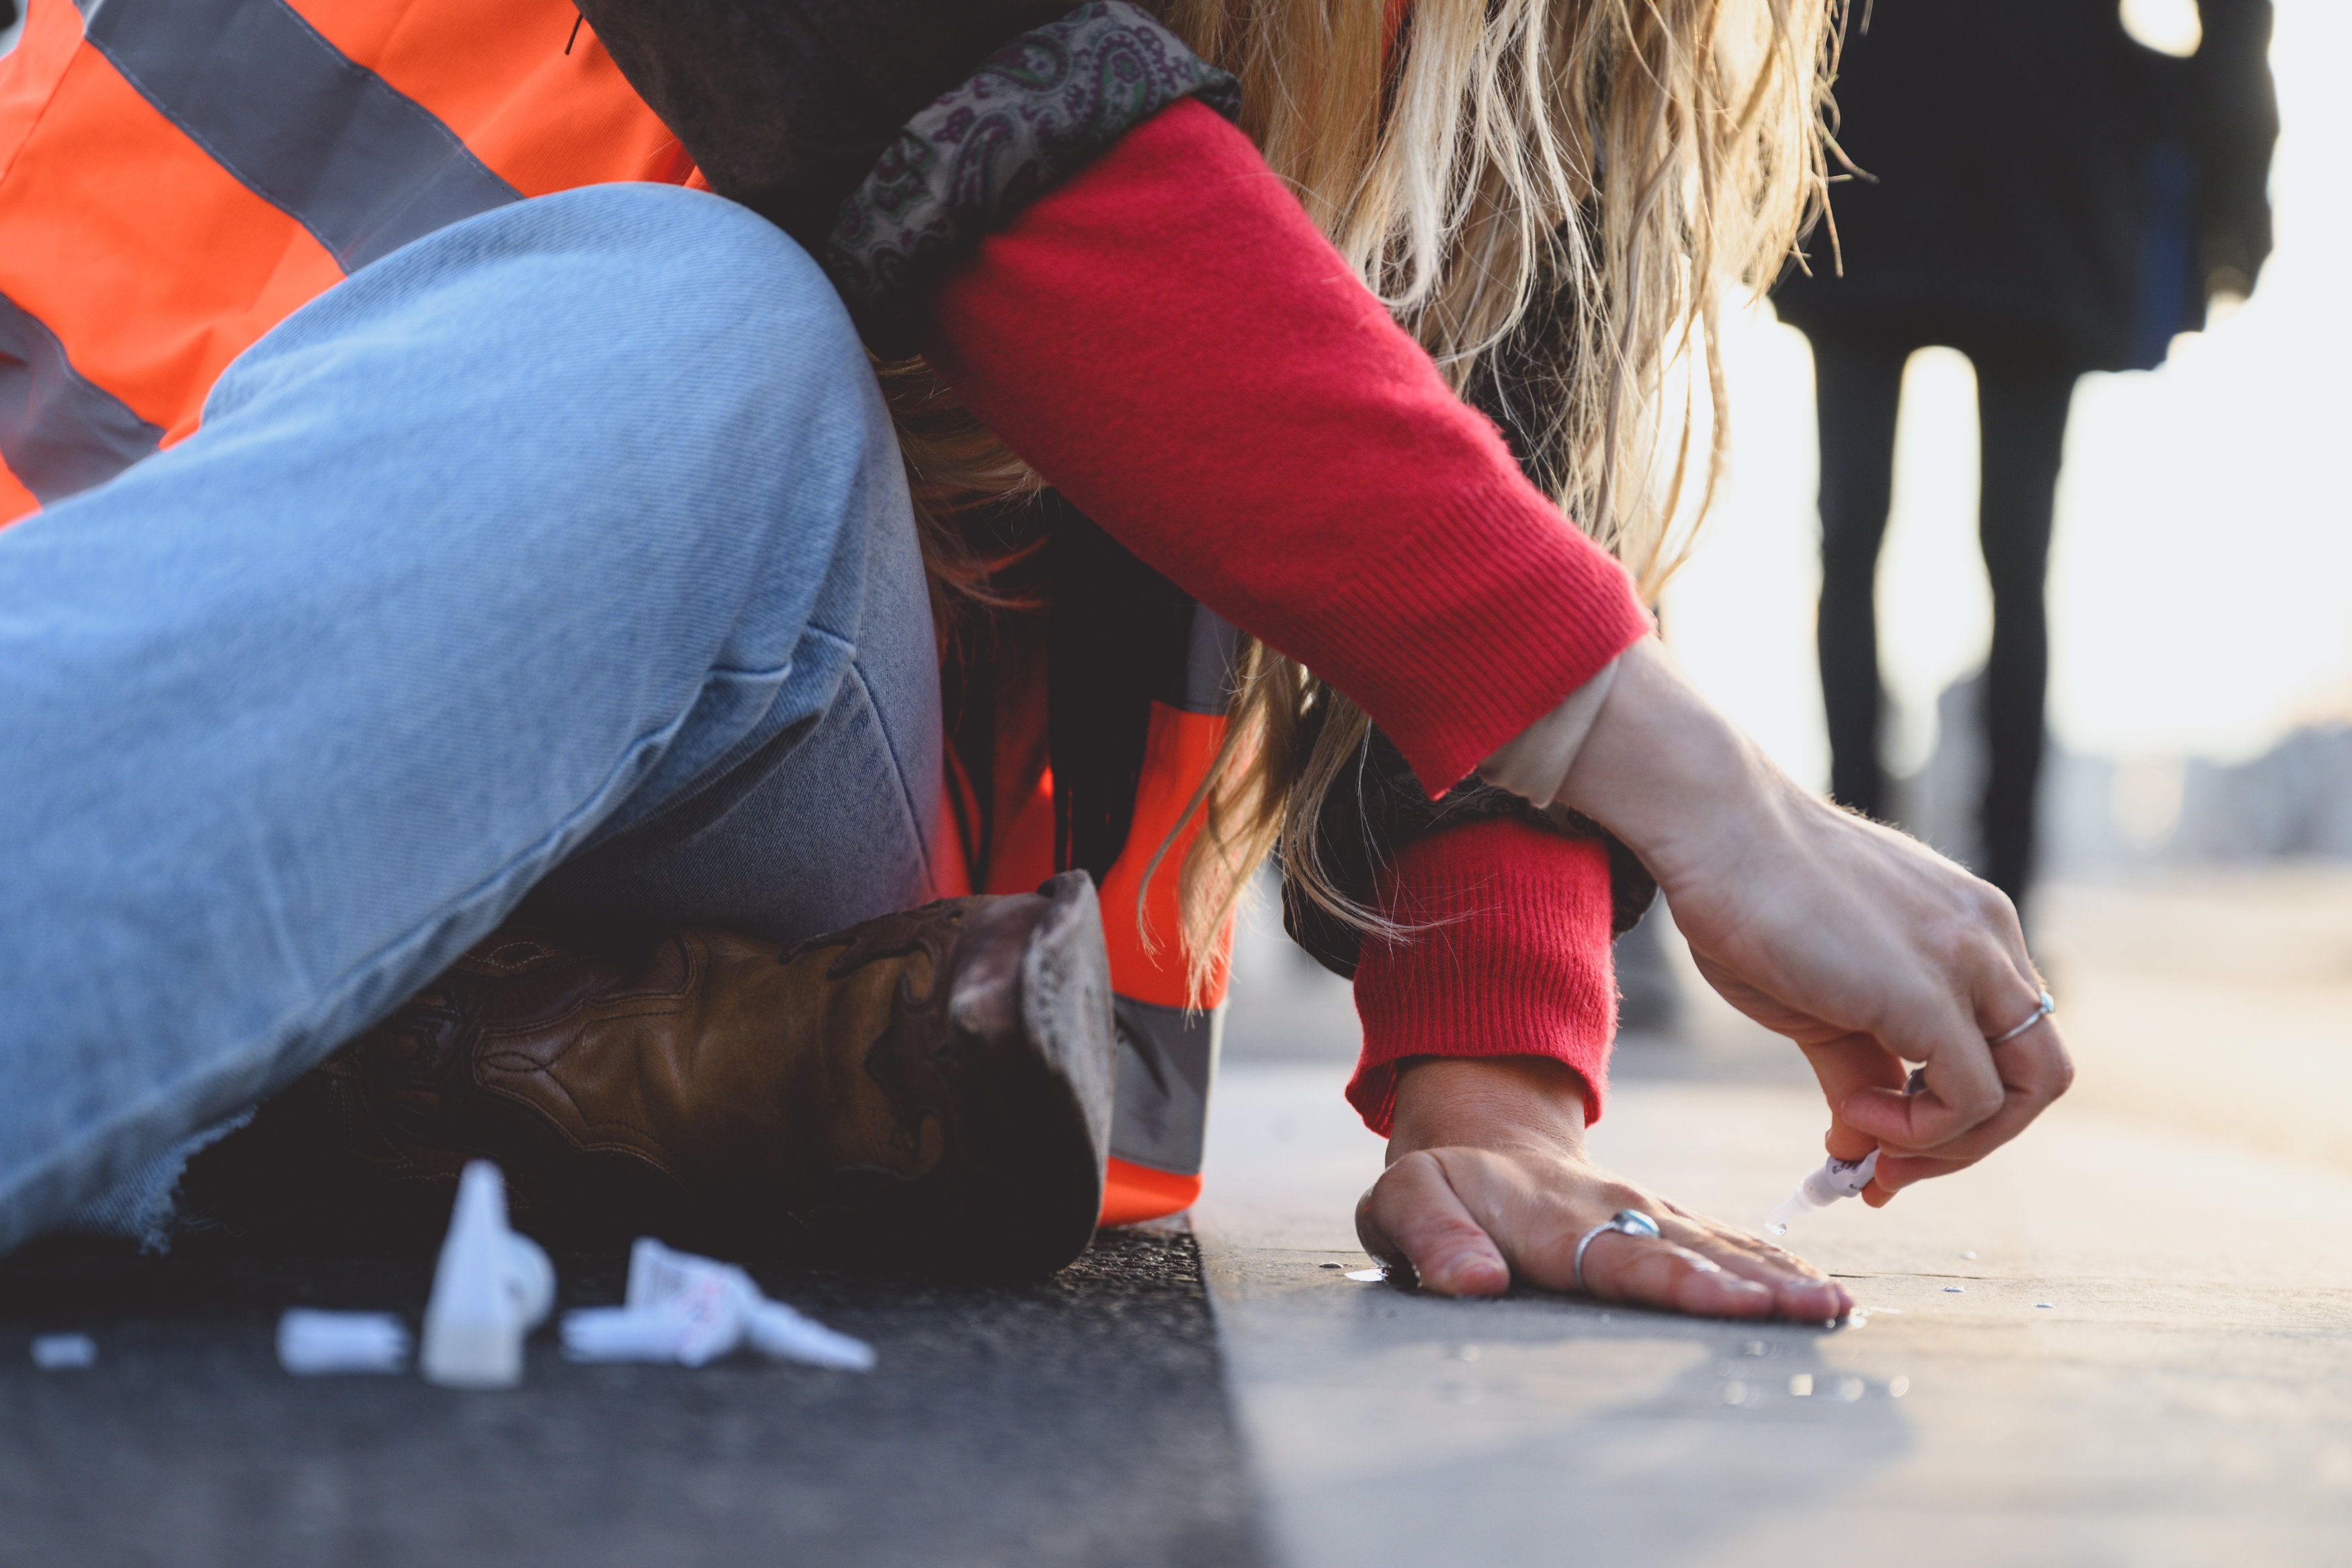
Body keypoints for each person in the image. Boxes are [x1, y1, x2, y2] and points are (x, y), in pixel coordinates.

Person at [0, 0, 2070, 1317]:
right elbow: (938, 84)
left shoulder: (1560, 49)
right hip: (114, 508)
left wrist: (1493, 1103)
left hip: (741, 741)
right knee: (690, 328)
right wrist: (1701, 783)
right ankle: (388, 1069)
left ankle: (304, 1054)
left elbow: (1486, 444)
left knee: (708, 345)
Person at [1775, 0, 2277, 912]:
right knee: (2007, 557)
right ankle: (2001, 890)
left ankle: (1863, 883)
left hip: (1876, 132)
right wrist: (2235, 187)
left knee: (1854, 540)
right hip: (2036, 151)